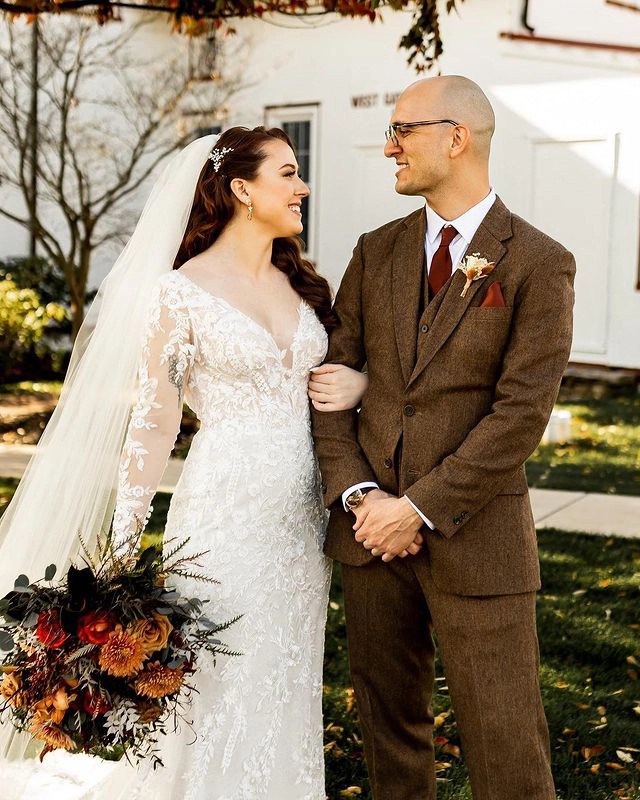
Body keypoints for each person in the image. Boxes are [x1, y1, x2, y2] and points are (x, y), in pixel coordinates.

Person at [0, 127, 367, 799]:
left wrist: (360, 388)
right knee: (217, 674)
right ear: (241, 190)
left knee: (284, 668)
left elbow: (344, 380)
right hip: (225, 514)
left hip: (301, 524)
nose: (302, 186)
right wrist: (121, 549)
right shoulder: (180, 293)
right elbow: (155, 417)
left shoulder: (305, 284)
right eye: (288, 173)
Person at [311, 75, 576, 800]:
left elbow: (521, 413)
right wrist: (363, 498)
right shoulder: (376, 251)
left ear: (457, 138)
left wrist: (417, 508)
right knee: (390, 739)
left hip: (478, 542)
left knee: (507, 748)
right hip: (371, 542)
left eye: (404, 130)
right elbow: (331, 382)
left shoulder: (538, 261)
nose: (388, 145)